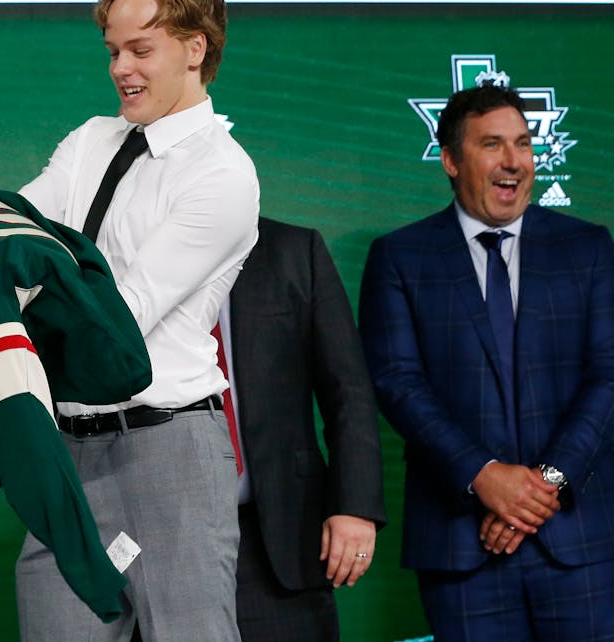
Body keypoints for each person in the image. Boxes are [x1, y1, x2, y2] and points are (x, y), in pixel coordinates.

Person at [17, 0, 259, 641]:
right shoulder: (90, 140)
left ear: (195, 49)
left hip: (170, 449)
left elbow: (117, 320)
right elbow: (14, 238)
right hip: (67, 447)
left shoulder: (223, 174)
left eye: (141, 51)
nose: (122, 68)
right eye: (113, 52)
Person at [360, 83, 614, 641]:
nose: (513, 162)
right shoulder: (401, 257)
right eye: (492, 145)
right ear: (450, 160)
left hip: (579, 542)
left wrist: (543, 485)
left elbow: (608, 378)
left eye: (523, 144)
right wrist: (485, 477)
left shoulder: (588, 248)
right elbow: (398, 383)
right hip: (460, 547)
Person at [223, 217, 385, 641]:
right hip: (166, 534)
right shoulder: (126, 251)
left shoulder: (292, 249)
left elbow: (347, 389)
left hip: (279, 535)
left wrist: (355, 505)